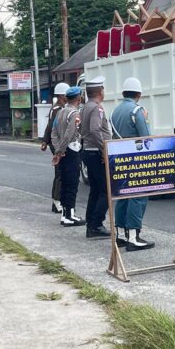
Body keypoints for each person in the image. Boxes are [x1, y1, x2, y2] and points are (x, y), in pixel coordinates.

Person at [111, 77, 155, 251]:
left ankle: (121, 235)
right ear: (139, 94)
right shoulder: (137, 111)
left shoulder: (114, 111)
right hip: (136, 160)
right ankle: (134, 238)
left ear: (123, 93)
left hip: (120, 158)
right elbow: (146, 138)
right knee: (138, 195)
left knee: (123, 195)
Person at [79, 76, 112, 238]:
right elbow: (95, 130)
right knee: (106, 190)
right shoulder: (97, 108)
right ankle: (96, 224)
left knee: (96, 190)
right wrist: (104, 149)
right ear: (100, 92)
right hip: (96, 152)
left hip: (88, 151)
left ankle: (91, 224)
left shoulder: (85, 107)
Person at [52, 86, 86, 227]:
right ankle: (69, 215)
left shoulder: (60, 112)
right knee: (72, 183)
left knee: (65, 183)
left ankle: (65, 214)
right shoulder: (74, 114)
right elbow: (69, 134)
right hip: (71, 150)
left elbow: (53, 133)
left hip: (63, 151)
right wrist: (61, 150)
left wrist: (57, 149)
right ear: (79, 98)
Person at [41, 83, 70, 213]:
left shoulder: (58, 108)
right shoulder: (58, 109)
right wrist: (47, 142)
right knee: (60, 173)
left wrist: (45, 141)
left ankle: (57, 202)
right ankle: (57, 201)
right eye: (66, 95)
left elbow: (48, 126)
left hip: (55, 142)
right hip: (57, 144)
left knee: (61, 172)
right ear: (61, 95)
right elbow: (52, 126)